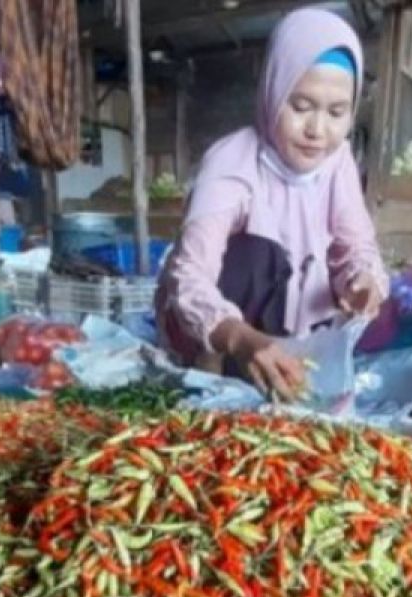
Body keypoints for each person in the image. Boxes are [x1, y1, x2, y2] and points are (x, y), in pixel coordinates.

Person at [154, 7, 390, 401]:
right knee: (259, 253)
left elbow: (357, 246)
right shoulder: (231, 162)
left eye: (336, 112)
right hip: (225, 333)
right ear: (273, 91)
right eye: (300, 106)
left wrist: (362, 280)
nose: (317, 130)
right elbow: (190, 277)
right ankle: (213, 370)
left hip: (296, 329)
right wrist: (241, 338)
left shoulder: (338, 161)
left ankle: (287, 358)